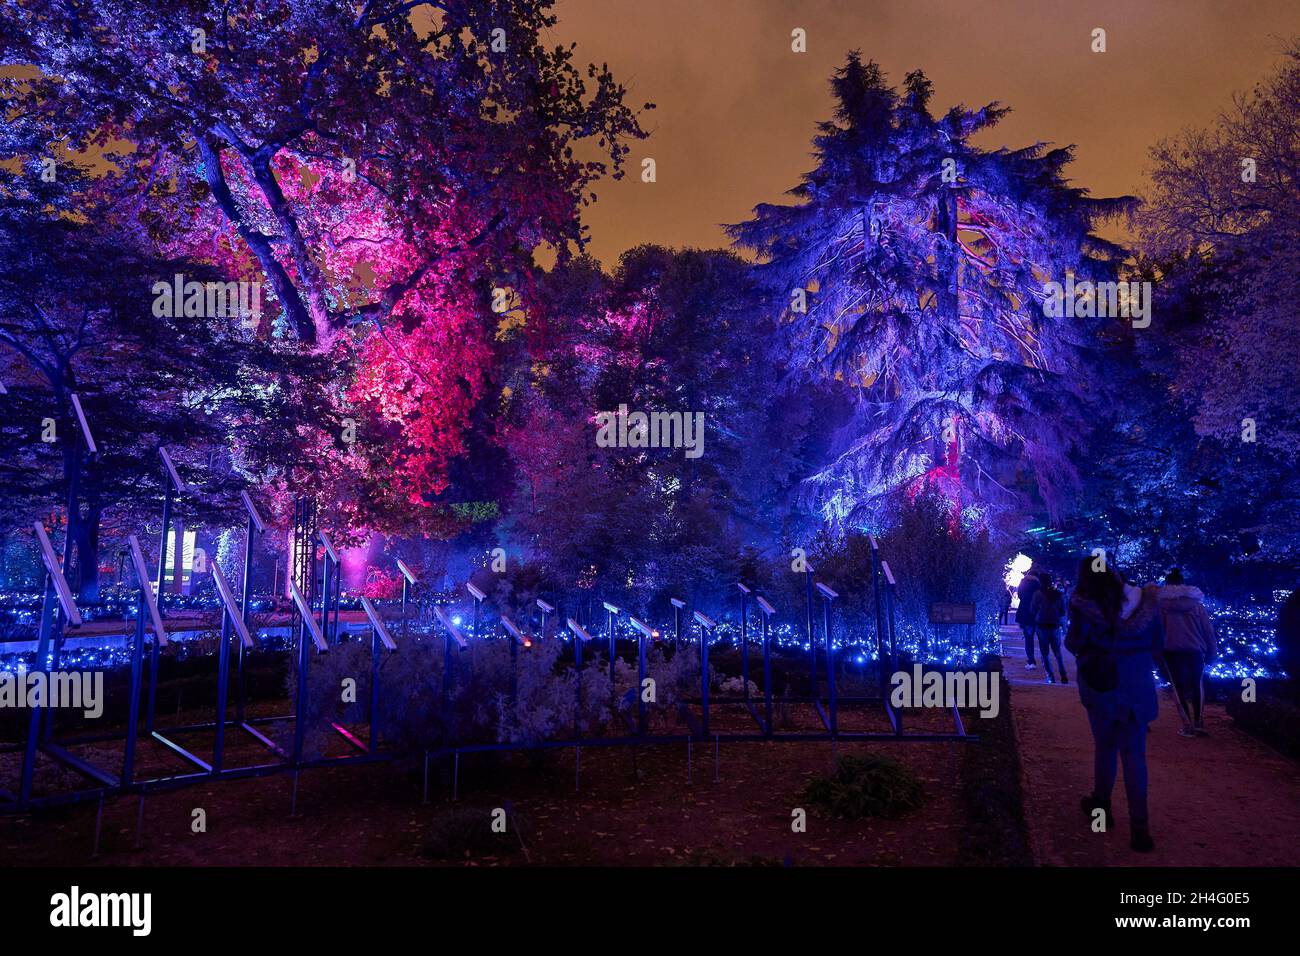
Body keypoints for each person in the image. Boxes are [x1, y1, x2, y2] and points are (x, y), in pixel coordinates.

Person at [1066, 558, 1163, 853]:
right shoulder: (1147, 603)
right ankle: (1140, 830)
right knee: (1135, 756)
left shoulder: (1085, 606)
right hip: (1137, 686)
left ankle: (1102, 807)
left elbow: (1074, 643)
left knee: (1105, 747)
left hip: (1102, 686)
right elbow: (1159, 644)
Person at [1157, 569, 1217, 736]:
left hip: (1171, 650)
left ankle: (1187, 724)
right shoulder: (1197, 606)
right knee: (1197, 685)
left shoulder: (1161, 607)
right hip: (1195, 650)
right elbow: (1208, 631)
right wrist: (1212, 651)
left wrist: (1155, 651)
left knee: (1178, 687)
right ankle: (1198, 722)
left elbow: (1158, 631)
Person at [1030, 571, 1069, 683]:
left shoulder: (1037, 594)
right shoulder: (1058, 594)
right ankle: (1063, 673)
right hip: (1055, 625)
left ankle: (1050, 677)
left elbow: (1033, 609)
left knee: (1044, 653)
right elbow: (1062, 611)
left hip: (1042, 625)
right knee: (1057, 651)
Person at [1016, 568, 1041, 669]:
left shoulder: (1022, 583)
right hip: (1038, 615)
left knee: (1028, 639)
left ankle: (1031, 661)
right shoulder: (1039, 585)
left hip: (1026, 614)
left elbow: (1019, 596)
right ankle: (1045, 661)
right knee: (1042, 639)